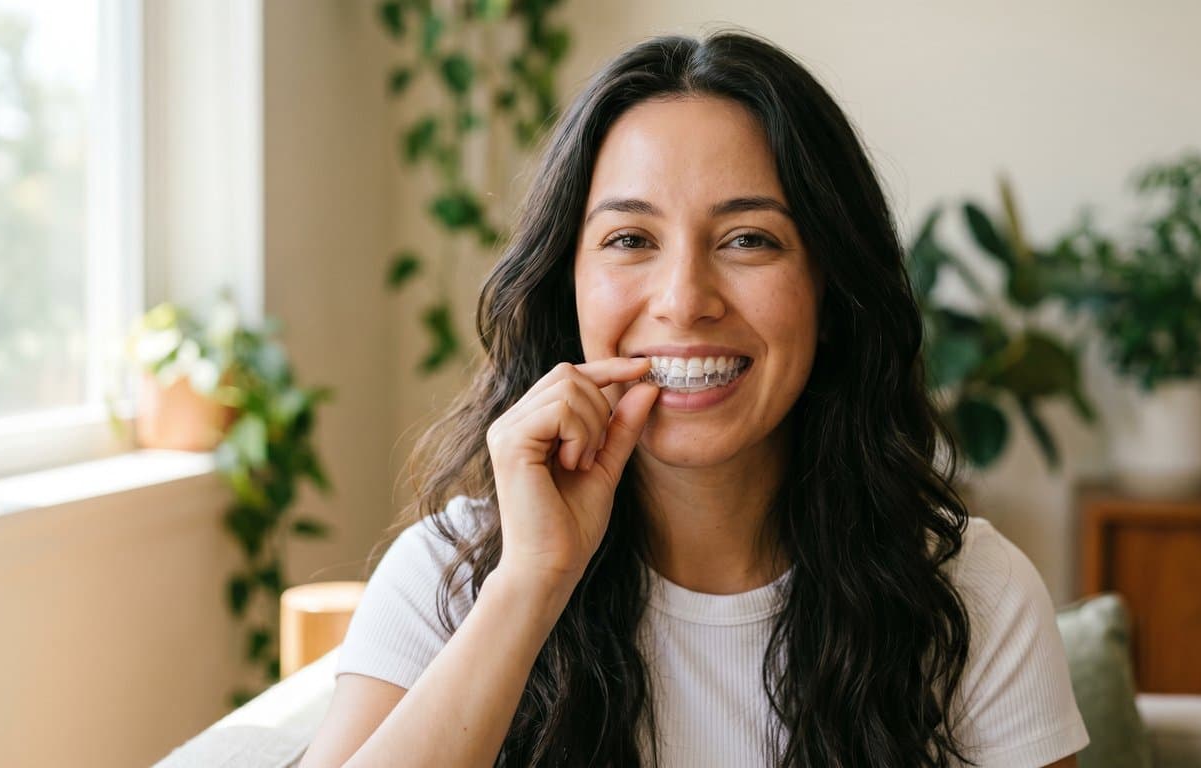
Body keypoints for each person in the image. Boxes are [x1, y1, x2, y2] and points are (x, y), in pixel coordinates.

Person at [300, 29, 1089, 768]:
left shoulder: (973, 594)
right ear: (563, 284)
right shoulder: (451, 574)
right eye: (630, 240)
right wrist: (532, 582)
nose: (684, 300)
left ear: (831, 286)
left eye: (749, 239)